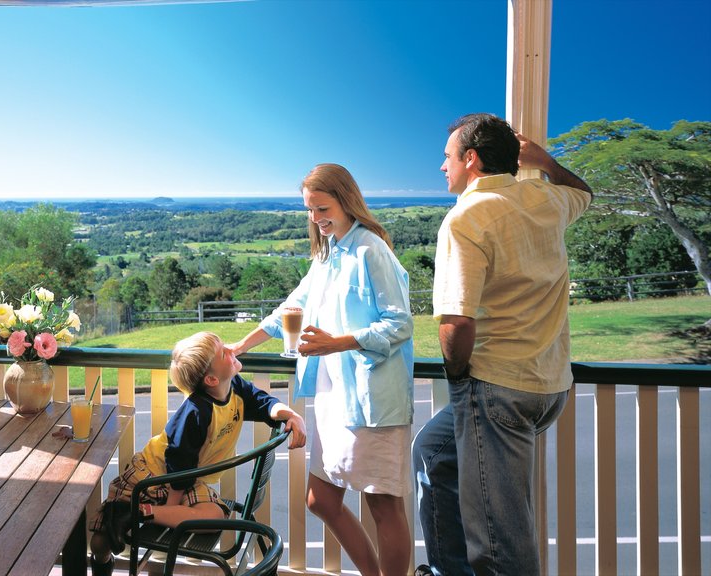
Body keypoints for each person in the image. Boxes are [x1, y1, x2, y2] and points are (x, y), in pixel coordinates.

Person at [413, 113, 592, 576]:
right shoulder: (545, 197)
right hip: (548, 385)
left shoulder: (466, 218)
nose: (441, 166)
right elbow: (584, 192)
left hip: (496, 389)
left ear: (471, 159)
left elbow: (455, 321)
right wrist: (543, 161)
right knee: (432, 453)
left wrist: (458, 381)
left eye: (447, 156)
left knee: (498, 540)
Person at [228, 163, 415, 576]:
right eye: (310, 210)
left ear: (347, 201)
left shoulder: (371, 249)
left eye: (322, 208)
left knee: (384, 504)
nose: (316, 219)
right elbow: (289, 310)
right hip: (333, 399)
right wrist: (241, 344)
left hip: (372, 398)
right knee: (321, 500)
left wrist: (337, 342)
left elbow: (399, 322)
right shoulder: (327, 256)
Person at [88, 331, 306, 576]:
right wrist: (172, 505)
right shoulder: (195, 412)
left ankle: (138, 513)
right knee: (99, 543)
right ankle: (115, 529)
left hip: (188, 478)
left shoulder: (235, 388)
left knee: (214, 515)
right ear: (212, 379)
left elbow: (263, 402)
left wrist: (291, 415)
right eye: (224, 352)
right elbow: (177, 462)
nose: (231, 350)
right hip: (152, 476)